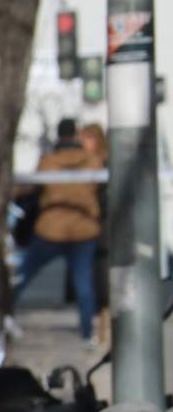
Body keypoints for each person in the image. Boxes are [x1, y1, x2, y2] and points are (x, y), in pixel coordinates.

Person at [15, 118, 102, 341]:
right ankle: (87, 331)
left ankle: (3, 314)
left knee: (22, 276)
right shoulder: (92, 161)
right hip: (84, 230)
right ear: (75, 135)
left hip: (50, 229)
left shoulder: (47, 162)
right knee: (83, 283)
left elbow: (34, 189)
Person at [78, 123, 112, 345]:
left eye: (88, 139)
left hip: (103, 231)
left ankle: (103, 330)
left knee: (103, 283)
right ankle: (98, 329)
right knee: (93, 282)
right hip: (89, 231)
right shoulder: (85, 163)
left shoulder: (103, 163)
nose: (84, 144)